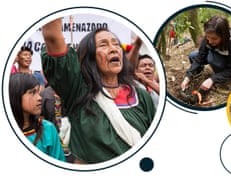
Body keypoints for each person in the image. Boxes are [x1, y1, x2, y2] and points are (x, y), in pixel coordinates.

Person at [41, 18, 155, 164]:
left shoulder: (140, 96)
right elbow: (52, 36)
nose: (114, 48)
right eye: (103, 45)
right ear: (90, 56)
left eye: (116, 44)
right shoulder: (78, 91)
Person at [9, 73, 66, 161]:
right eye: (32, 93)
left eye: (38, 92)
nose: (39, 98)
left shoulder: (47, 129)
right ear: (16, 96)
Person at [181, 15, 231, 91]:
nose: (210, 41)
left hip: (226, 62)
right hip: (214, 53)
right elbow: (200, 57)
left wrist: (212, 79)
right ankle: (198, 73)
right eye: (208, 37)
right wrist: (188, 76)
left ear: (224, 36)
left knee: (212, 59)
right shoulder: (208, 37)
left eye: (214, 39)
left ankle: (220, 77)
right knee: (193, 56)